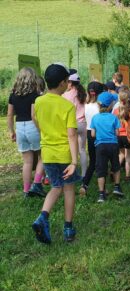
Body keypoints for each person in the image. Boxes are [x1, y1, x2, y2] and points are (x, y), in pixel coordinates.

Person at [32, 63, 81, 244]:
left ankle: (42, 217)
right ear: (62, 83)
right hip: (64, 155)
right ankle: (68, 228)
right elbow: (71, 134)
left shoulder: (38, 102)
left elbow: (36, 120)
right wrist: (74, 162)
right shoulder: (67, 106)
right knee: (68, 189)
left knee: (55, 186)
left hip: (48, 154)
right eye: (67, 81)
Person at [7, 67, 46, 198]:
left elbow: (9, 115)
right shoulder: (35, 94)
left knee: (27, 162)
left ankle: (26, 191)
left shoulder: (13, 95)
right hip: (32, 126)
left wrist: (11, 131)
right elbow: (34, 115)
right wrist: (41, 130)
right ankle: (36, 184)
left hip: (19, 127)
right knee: (43, 156)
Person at [90, 92, 124, 202]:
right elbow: (117, 133)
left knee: (101, 169)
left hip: (100, 146)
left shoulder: (95, 118)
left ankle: (101, 194)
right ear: (110, 105)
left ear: (99, 105)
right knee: (116, 166)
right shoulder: (114, 117)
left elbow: (93, 134)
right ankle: (117, 187)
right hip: (113, 145)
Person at [79, 81, 106, 196]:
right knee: (102, 162)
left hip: (90, 133)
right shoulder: (100, 107)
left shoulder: (86, 106)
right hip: (100, 134)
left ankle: (84, 185)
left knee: (93, 161)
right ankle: (103, 188)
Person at [62, 72, 88, 178]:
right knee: (82, 150)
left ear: (71, 83)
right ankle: (84, 175)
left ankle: (72, 171)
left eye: (68, 82)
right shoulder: (83, 93)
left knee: (71, 149)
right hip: (83, 124)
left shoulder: (65, 95)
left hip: (72, 124)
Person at [113, 90, 130, 181]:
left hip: (118, 136)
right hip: (128, 136)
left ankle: (113, 170)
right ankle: (128, 176)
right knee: (128, 156)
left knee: (121, 155)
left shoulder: (116, 111)